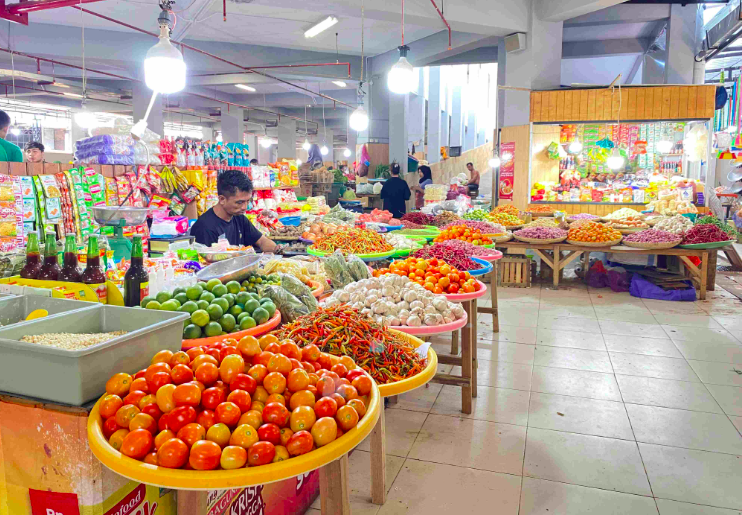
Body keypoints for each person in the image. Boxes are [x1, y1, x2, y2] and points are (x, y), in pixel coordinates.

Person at [189, 169, 279, 252]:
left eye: (248, 201)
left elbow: (262, 241)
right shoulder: (205, 228)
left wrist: (277, 250)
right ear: (222, 199)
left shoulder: (239, 218)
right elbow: (209, 265)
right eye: (240, 202)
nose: (245, 207)